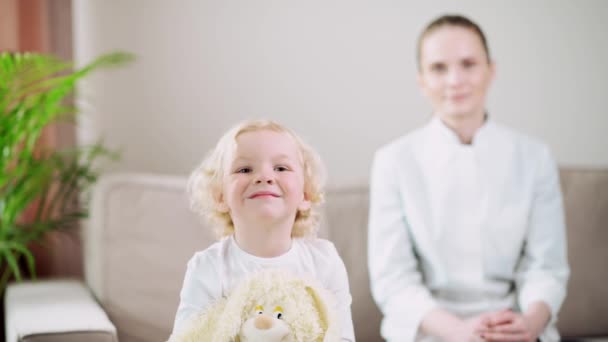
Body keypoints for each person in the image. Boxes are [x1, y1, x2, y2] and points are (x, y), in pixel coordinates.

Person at [367, 14, 569, 342]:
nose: (455, 80)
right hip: (430, 331)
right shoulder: (393, 161)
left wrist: (530, 323)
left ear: (491, 70)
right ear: (421, 80)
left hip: (515, 326)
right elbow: (394, 279)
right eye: (438, 68)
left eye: (468, 63)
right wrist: (461, 332)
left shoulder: (535, 157)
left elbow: (546, 266)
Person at [170, 119, 355, 341]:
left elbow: (342, 337)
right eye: (245, 169)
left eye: (281, 168)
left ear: (306, 193)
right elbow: (187, 337)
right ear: (219, 195)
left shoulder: (324, 261)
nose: (265, 176)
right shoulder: (208, 268)